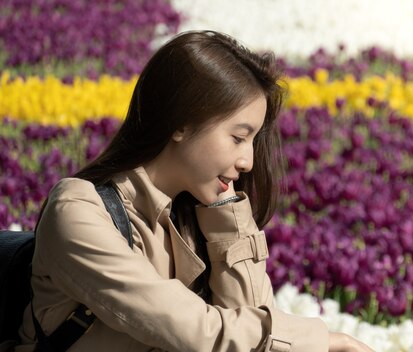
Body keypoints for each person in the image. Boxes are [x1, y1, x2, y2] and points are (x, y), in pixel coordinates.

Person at [14, 30, 373, 351]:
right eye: (238, 137)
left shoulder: (197, 215)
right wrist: (322, 342)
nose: (247, 160)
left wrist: (228, 218)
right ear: (181, 123)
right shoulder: (78, 210)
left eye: (253, 141)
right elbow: (193, 331)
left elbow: (249, 326)